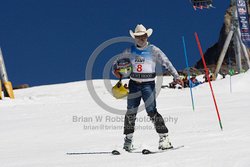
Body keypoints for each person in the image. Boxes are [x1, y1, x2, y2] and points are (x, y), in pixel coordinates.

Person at [113, 24, 183, 151]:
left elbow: (166, 62)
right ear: (135, 37)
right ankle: (128, 140)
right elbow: (117, 62)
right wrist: (115, 70)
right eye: (139, 36)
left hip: (148, 85)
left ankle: (164, 138)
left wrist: (176, 76)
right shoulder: (130, 50)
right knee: (130, 112)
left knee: (151, 111)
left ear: (147, 36)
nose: (141, 38)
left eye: (143, 36)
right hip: (133, 84)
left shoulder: (153, 50)